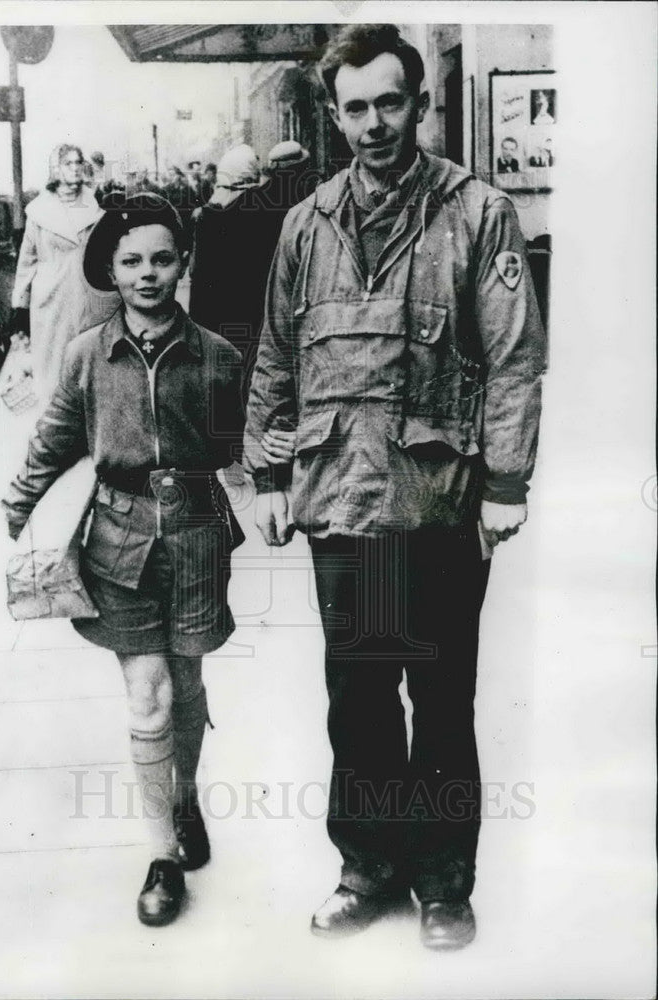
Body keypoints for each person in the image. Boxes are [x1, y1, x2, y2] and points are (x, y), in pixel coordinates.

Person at [244, 23, 547, 950]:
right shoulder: (306, 223)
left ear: (418, 103)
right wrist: (265, 469)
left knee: (442, 697)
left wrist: (505, 479)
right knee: (361, 696)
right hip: (343, 500)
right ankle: (369, 867)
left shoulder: (477, 212)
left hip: (442, 503)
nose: (373, 123)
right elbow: (276, 355)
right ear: (335, 118)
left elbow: (513, 358)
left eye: (389, 102)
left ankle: (444, 881)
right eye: (355, 108)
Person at [2, 193, 245, 928]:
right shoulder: (85, 355)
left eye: (162, 258)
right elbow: (52, 439)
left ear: (183, 264)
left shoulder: (217, 355)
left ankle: (185, 797)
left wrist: (274, 484)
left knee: (189, 685)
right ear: (110, 268)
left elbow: (244, 440)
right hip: (118, 544)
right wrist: (20, 502)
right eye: (132, 260)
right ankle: (161, 854)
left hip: (198, 540)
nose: (148, 274)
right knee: (149, 695)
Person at [10, 143, 119, 404]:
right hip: (50, 301)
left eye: (78, 162)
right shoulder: (38, 211)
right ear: (55, 170)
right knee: (52, 366)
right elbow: (27, 261)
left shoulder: (94, 204)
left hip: (88, 295)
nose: (75, 168)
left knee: (88, 363)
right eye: (68, 163)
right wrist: (19, 309)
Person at [189, 144, 286, 401]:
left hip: (214, 329)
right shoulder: (271, 215)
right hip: (256, 329)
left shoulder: (208, 219)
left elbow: (198, 281)